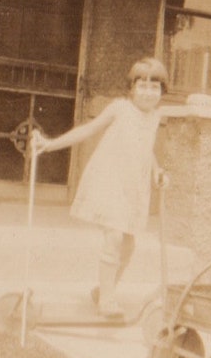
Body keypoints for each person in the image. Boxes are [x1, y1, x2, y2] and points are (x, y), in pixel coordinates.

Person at [33, 57, 169, 318]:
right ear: (131, 89)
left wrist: (157, 170)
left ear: (162, 92)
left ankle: (103, 289)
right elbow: (88, 129)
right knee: (114, 237)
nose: (148, 93)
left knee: (128, 246)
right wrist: (50, 144)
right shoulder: (120, 108)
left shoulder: (155, 117)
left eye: (155, 88)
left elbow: (146, 148)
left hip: (134, 187)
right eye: (142, 86)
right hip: (110, 180)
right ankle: (108, 299)